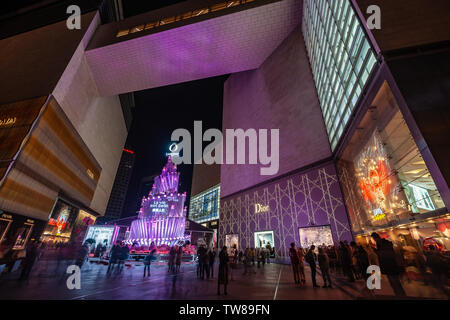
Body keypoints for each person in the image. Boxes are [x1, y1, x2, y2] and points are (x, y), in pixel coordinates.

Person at [371, 232, 406, 297]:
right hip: (390, 265)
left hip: (389, 265)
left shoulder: (382, 244)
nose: (374, 240)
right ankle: (400, 295)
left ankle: (400, 295)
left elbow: (384, 254)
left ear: (375, 238)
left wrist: (376, 251)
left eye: (373, 238)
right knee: (394, 282)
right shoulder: (385, 244)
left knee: (394, 282)